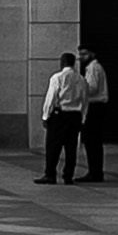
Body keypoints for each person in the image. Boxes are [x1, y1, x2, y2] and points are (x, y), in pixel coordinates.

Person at [42, 50, 87, 185]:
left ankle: (50, 174)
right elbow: (85, 100)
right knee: (71, 147)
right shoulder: (81, 79)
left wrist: (46, 116)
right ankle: (68, 175)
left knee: (53, 146)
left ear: (62, 62)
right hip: (75, 115)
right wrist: (83, 118)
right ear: (73, 63)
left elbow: (51, 98)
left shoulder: (57, 77)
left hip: (60, 115)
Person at [78, 42, 110, 184]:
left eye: (84, 54)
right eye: (80, 54)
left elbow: (92, 88)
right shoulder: (94, 67)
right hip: (96, 106)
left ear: (92, 54)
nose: (81, 57)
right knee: (93, 142)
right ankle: (95, 171)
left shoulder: (93, 68)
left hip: (95, 106)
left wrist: (79, 88)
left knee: (92, 141)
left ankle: (95, 172)